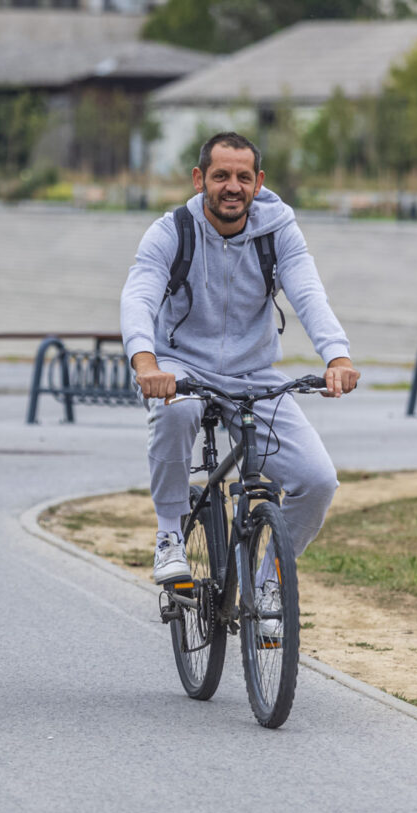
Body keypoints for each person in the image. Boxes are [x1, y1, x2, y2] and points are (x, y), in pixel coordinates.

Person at [120, 131, 360, 630]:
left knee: (317, 482)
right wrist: (147, 363)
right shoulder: (173, 231)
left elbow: (309, 293)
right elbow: (139, 293)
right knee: (178, 410)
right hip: (181, 365)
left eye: (243, 177)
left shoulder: (279, 231)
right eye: (221, 175)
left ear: (259, 182)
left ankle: (269, 581)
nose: (232, 186)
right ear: (199, 178)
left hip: (254, 375)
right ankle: (169, 535)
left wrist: (337, 355)